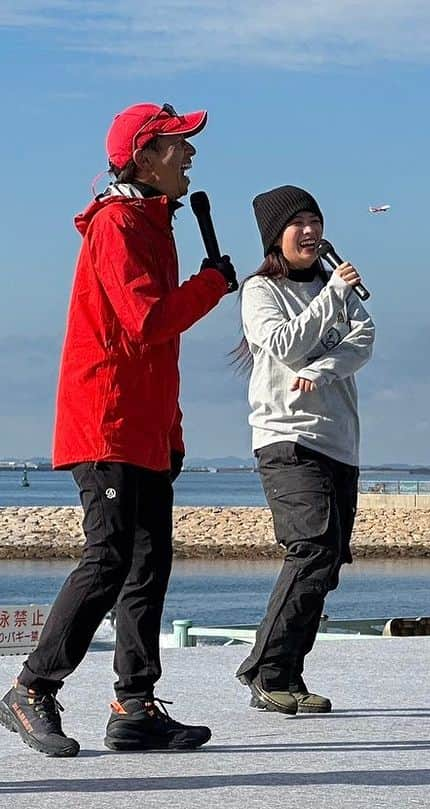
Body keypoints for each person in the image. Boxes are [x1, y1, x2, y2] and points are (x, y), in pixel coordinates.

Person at [1, 103, 237, 757]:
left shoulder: (152, 223)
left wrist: (173, 432)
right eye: (179, 144)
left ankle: (134, 707)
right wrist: (210, 286)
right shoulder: (117, 224)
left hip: (143, 429)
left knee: (148, 564)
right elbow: (146, 321)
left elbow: (157, 354)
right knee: (108, 558)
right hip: (104, 423)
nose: (190, 155)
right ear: (145, 154)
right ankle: (31, 687)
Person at [233, 185, 374, 715]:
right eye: (298, 224)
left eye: (315, 220)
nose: (311, 231)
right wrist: (333, 295)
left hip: (341, 441)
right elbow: (285, 344)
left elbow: (364, 338)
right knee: (311, 548)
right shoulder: (259, 292)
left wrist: (320, 368)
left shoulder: (334, 289)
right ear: (276, 236)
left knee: (329, 560)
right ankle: (267, 672)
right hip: (286, 437)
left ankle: (286, 673)